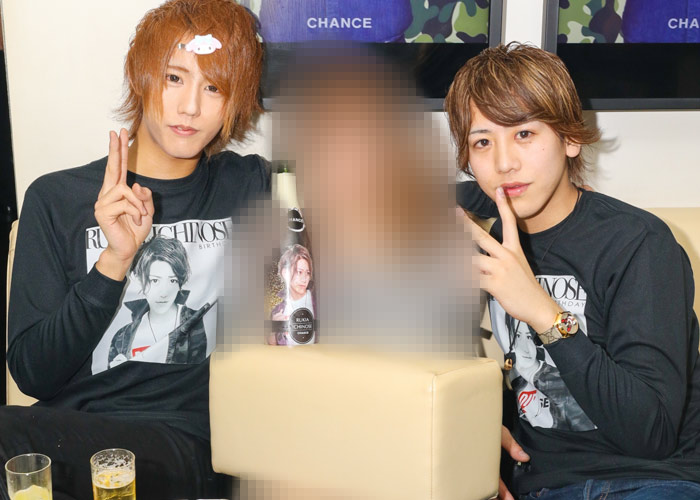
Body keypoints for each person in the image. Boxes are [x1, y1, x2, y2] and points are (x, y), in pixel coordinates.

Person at [3, 1, 267, 499]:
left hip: (184, 444)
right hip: (68, 436)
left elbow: (369, 198)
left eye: (214, 87)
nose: (190, 107)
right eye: (174, 78)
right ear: (140, 79)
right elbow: (33, 375)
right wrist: (114, 262)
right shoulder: (57, 200)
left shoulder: (251, 187)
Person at [447, 43, 700, 499]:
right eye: (483, 142)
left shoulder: (639, 244)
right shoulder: (485, 227)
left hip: (648, 479)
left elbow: (653, 433)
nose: (504, 163)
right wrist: (474, 440)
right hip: (537, 485)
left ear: (569, 139)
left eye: (524, 134)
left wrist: (542, 312)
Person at [108, 235, 209, 368]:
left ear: (180, 282)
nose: (164, 293)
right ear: (139, 279)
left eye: (172, 280)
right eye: (155, 280)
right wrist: (117, 372)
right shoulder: (122, 337)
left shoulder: (200, 321)